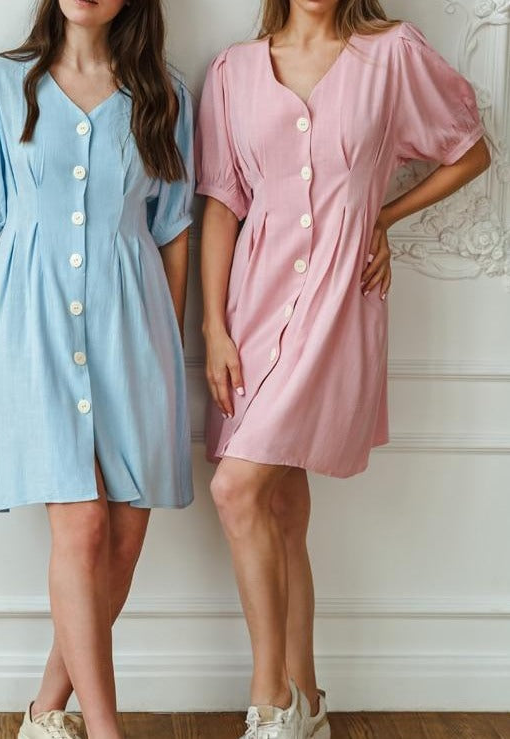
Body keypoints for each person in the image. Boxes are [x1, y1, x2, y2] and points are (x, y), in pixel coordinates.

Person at [194, 0, 490, 736]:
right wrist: (212, 326)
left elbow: (469, 150)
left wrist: (381, 217)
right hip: (253, 306)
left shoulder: (390, 55)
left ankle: (270, 700)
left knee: (236, 489)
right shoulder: (232, 71)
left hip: (337, 301)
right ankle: (308, 698)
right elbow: (222, 205)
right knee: (279, 506)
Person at [0, 0, 195, 736]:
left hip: (133, 331)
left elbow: (173, 228)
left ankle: (43, 714)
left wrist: (165, 353)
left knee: (122, 540)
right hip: (31, 328)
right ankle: (105, 729)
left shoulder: (162, 94)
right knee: (83, 523)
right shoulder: (3, 84)